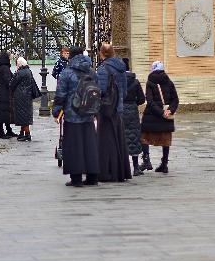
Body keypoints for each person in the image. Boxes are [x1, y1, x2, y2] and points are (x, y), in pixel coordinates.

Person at [53, 46, 100, 186]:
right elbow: (98, 91)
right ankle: (92, 177)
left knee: (74, 146)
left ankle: (76, 178)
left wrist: (56, 112)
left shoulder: (67, 73)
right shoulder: (92, 72)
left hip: (72, 114)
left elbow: (60, 94)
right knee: (90, 145)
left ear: (71, 56)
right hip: (89, 114)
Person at [95, 43, 131, 182]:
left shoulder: (103, 69)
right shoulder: (121, 68)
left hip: (106, 109)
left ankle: (107, 172)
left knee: (106, 141)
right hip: (118, 108)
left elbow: (101, 90)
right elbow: (125, 91)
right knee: (118, 140)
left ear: (102, 53)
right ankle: (120, 172)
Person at [141, 61, 179, 173]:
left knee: (144, 137)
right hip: (166, 116)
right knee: (166, 139)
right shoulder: (169, 82)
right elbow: (175, 100)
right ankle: (164, 163)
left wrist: (160, 112)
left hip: (151, 117)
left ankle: (146, 160)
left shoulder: (150, 82)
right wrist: (169, 111)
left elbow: (150, 101)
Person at [121, 59, 150, 175]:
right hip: (133, 111)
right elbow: (142, 99)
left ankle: (123, 168)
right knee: (134, 138)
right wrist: (134, 103)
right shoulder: (135, 81)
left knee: (122, 137)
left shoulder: (118, 81)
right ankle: (136, 167)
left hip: (121, 110)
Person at [9, 56, 40, 142]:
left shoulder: (20, 72)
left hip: (20, 96)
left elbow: (12, 84)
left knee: (23, 116)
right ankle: (22, 133)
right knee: (25, 115)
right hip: (27, 96)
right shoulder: (28, 71)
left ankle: (27, 134)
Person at [0, 51, 17, 138]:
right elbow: (8, 80)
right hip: (5, 92)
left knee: (4, 111)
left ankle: (8, 129)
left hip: (2, 91)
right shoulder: (5, 68)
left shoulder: (1, 67)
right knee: (4, 111)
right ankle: (1, 131)